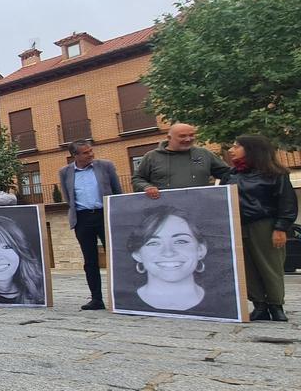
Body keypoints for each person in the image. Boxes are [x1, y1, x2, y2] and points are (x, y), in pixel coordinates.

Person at [228, 135, 296, 322]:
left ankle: (276, 305)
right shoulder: (233, 174)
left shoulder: (275, 174)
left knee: (270, 265)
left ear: (251, 150)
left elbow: (287, 202)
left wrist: (281, 227)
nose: (231, 150)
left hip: (264, 225)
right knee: (247, 267)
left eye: (236, 146)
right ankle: (259, 305)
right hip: (239, 225)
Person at [124, 206, 229, 317]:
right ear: (137, 254)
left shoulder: (225, 305)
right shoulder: (124, 302)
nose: (168, 252)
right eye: (153, 243)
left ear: (200, 250)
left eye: (180, 241)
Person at [57, 140, 123, 311]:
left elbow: (117, 191)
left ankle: (122, 296)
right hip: (82, 218)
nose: (91, 154)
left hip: (104, 215)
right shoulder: (65, 172)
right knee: (90, 260)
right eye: (86, 153)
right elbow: (68, 197)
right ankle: (96, 299)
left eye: (91, 151)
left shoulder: (106, 166)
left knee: (115, 256)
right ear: (75, 156)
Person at [132, 123, 231, 199]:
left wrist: (219, 191)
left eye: (191, 135)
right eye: (182, 136)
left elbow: (227, 174)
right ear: (169, 138)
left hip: (201, 206)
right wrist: (146, 187)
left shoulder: (204, 154)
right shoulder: (152, 157)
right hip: (165, 209)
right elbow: (137, 179)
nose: (188, 139)